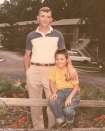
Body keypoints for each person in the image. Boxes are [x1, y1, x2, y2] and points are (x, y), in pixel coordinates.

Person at [23, 7, 78, 129]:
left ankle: (53, 128)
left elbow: (65, 54)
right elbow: (26, 56)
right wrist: (28, 72)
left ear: (51, 19)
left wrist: (71, 68)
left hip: (52, 72)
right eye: (42, 16)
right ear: (38, 18)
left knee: (53, 103)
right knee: (35, 105)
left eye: (48, 17)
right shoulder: (31, 35)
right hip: (34, 70)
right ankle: (38, 128)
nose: (45, 19)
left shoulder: (58, 35)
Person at [48, 48, 80, 131]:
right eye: (57, 59)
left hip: (73, 92)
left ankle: (69, 121)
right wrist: (53, 93)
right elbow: (51, 83)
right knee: (52, 101)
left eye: (62, 59)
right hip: (60, 91)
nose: (59, 61)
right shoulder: (54, 69)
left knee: (68, 110)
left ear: (67, 60)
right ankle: (60, 121)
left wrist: (69, 98)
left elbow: (76, 87)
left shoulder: (72, 71)